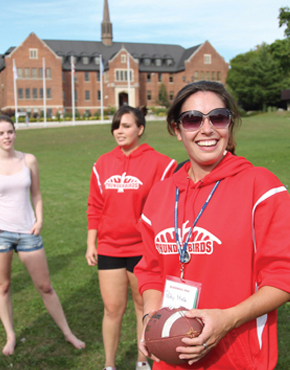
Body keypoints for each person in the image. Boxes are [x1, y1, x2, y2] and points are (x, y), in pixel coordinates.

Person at [135, 81, 290, 370]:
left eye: (218, 117)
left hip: (237, 355)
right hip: (172, 355)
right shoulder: (160, 194)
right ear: (177, 130)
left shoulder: (261, 187)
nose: (207, 129)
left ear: (229, 124)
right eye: (192, 119)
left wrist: (228, 319)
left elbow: (285, 278)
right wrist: (151, 319)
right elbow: (151, 271)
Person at [0, 115, 84, 355]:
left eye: (10, 132)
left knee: (45, 286)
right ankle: (10, 336)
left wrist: (39, 219)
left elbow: (37, 194)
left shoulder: (29, 160)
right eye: (1, 133)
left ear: (15, 133)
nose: (7, 137)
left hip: (27, 232)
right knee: (3, 287)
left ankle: (68, 333)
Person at [86, 106, 177, 370]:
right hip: (110, 248)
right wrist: (91, 242)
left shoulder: (162, 164)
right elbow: (95, 206)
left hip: (144, 249)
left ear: (140, 129)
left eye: (126, 126)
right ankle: (109, 365)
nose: (119, 131)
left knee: (143, 307)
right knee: (112, 309)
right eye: (116, 126)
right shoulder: (102, 163)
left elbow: (165, 208)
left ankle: (142, 362)